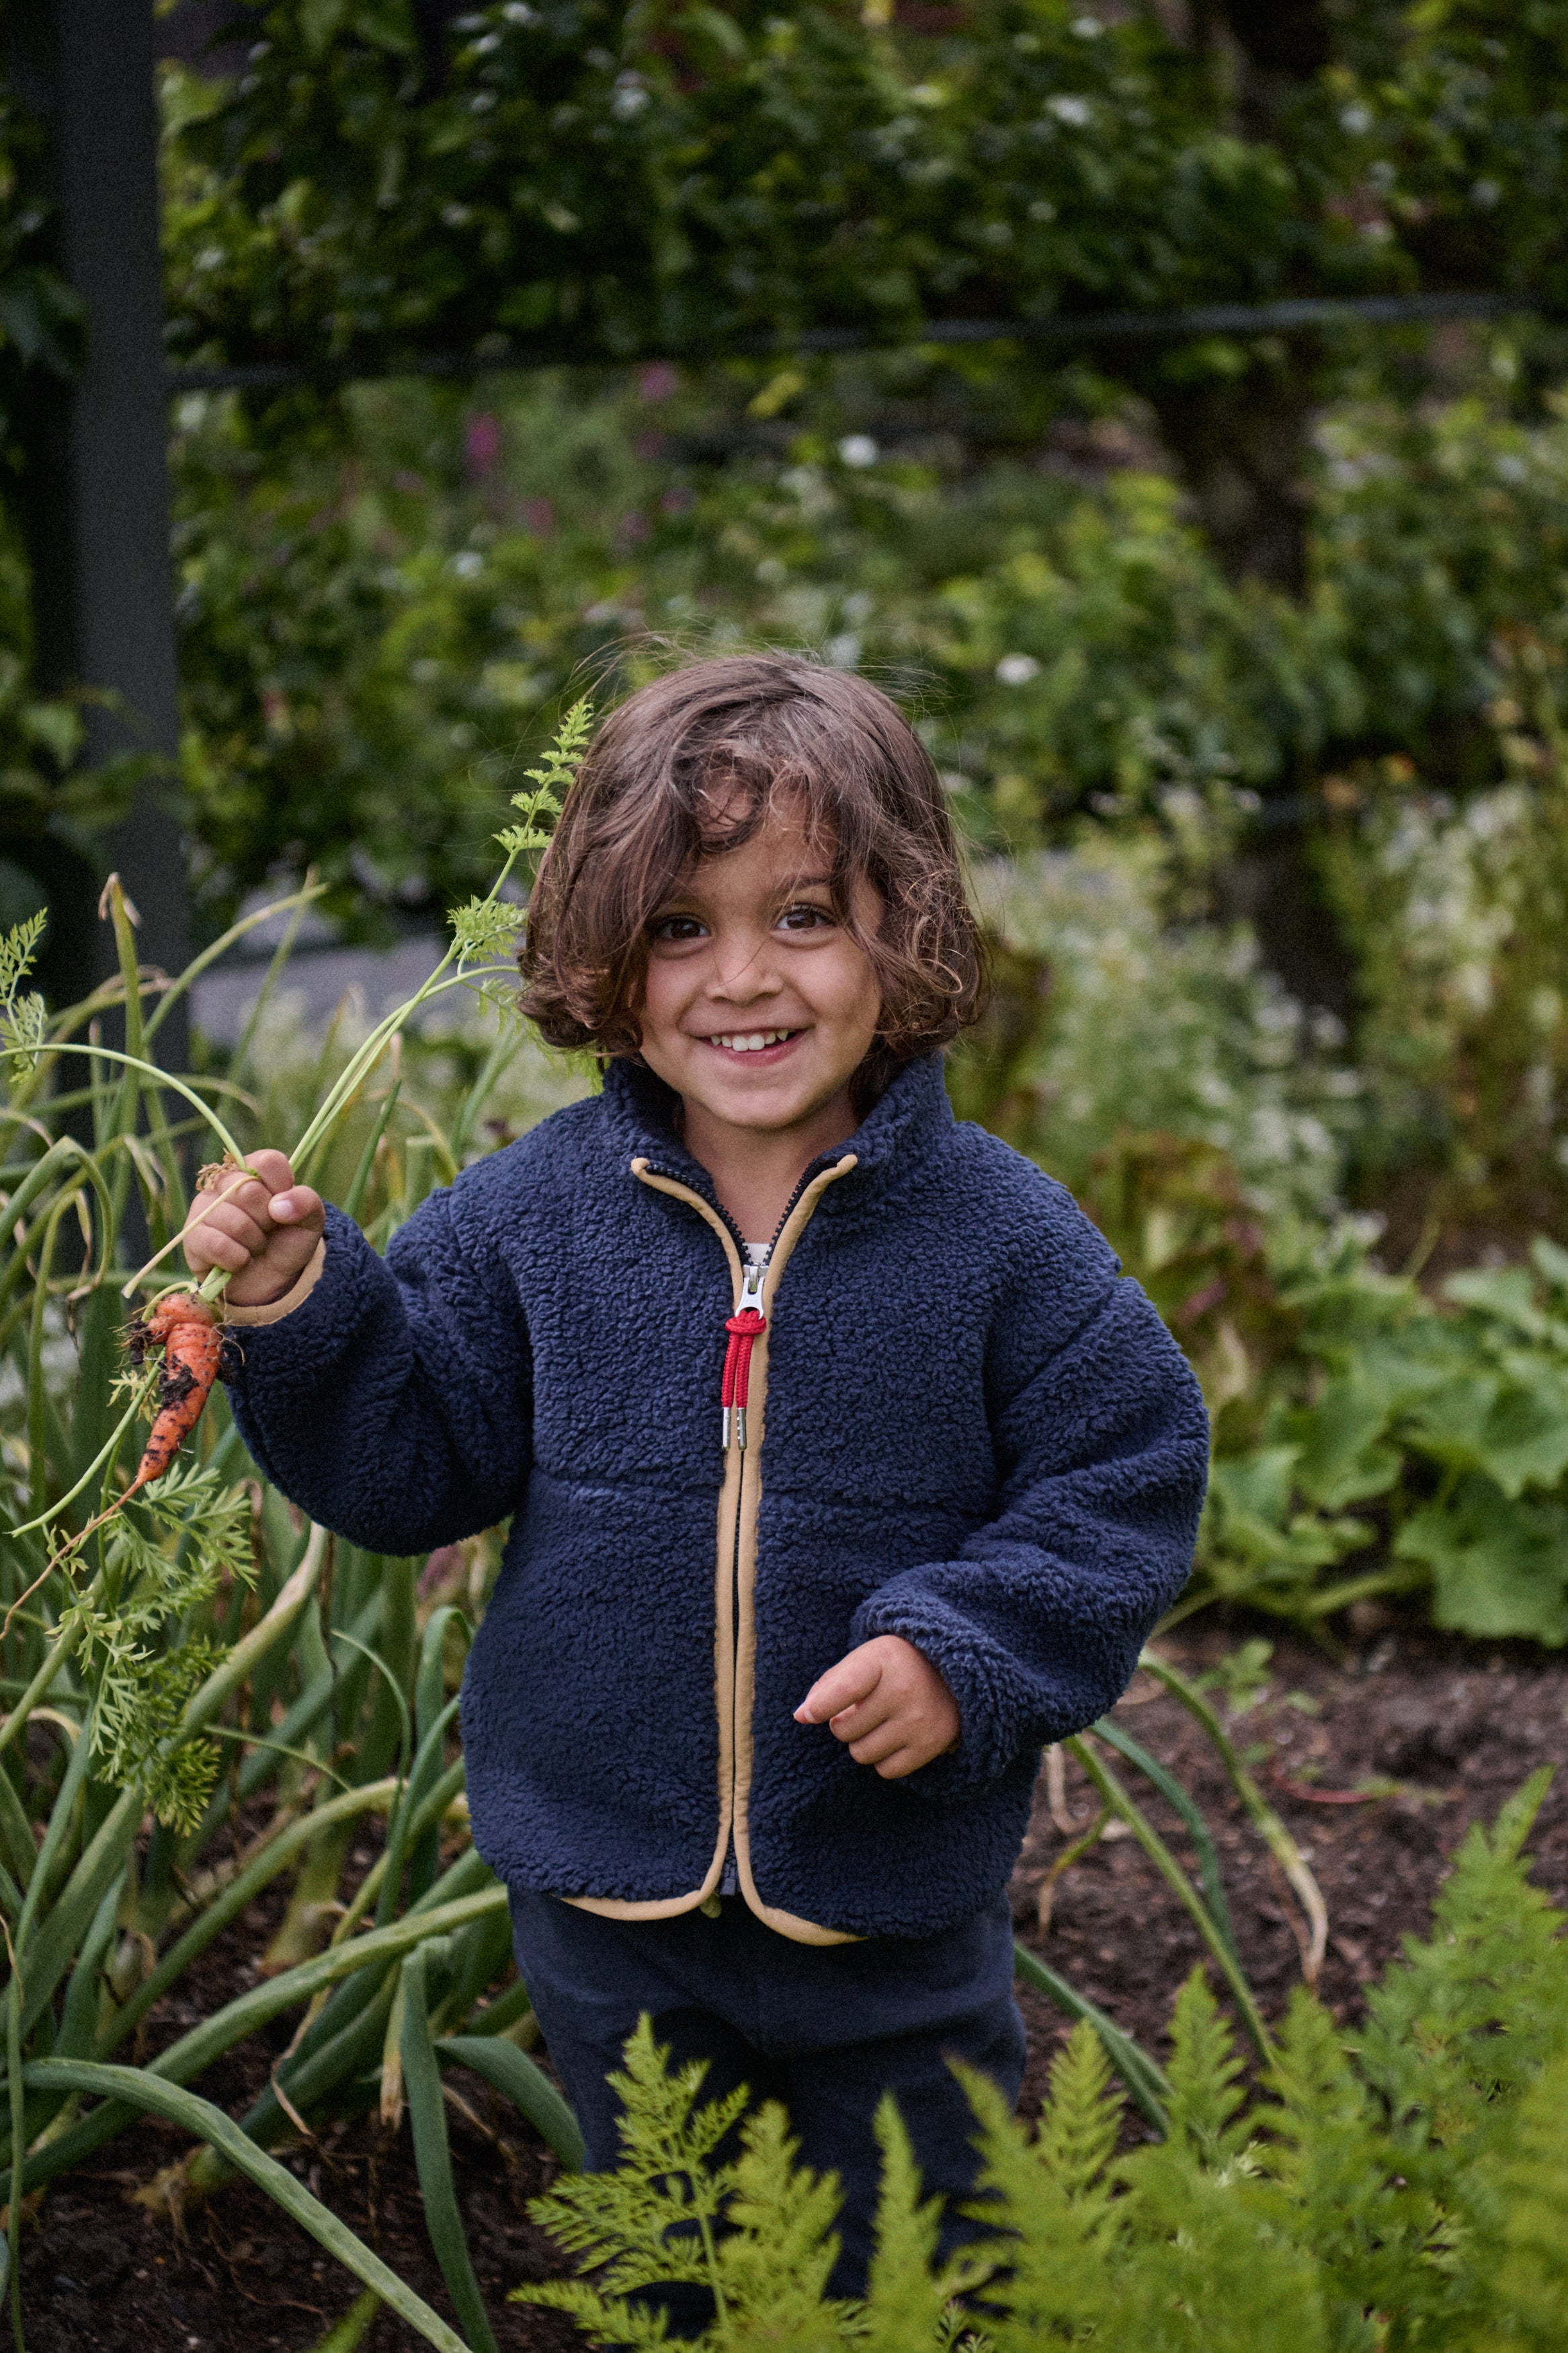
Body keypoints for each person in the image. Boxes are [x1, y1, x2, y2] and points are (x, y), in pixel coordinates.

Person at [183, 654, 1208, 2298]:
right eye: (681, 926)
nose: (745, 977)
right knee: (677, 2278)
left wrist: (970, 1652)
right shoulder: (536, 1216)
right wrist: (300, 1310)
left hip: (889, 1911)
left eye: (806, 914)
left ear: (909, 927)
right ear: (608, 948)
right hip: (608, 1901)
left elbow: (1129, 1465)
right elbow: (408, 1461)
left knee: (919, 2280)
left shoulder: (999, 1239)